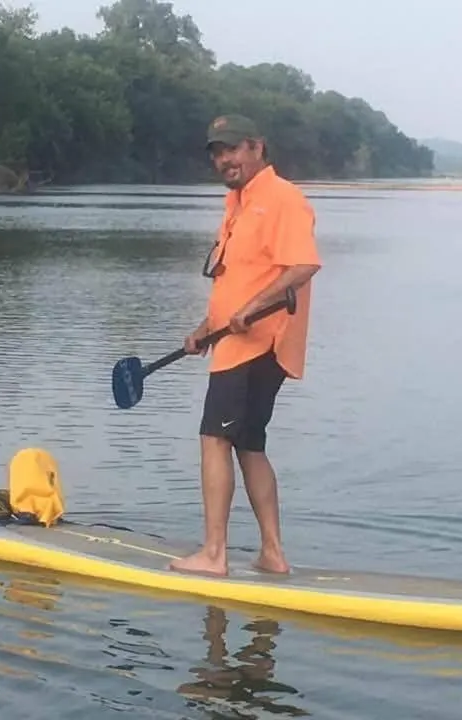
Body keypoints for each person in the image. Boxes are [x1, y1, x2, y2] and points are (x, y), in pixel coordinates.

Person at [169, 114, 322, 577]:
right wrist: (205, 328)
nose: (224, 159)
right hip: (237, 343)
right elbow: (238, 279)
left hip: (257, 345)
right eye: (217, 152)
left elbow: (303, 265)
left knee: (214, 438)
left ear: (257, 147)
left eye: (232, 149)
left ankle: (214, 555)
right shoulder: (237, 202)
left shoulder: (282, 198)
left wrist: (252, 308)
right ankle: (272, 554)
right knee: (249, 443)